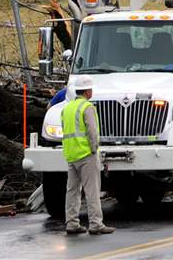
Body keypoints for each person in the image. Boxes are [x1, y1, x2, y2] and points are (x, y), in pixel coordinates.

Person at [61, 77, 114, 235]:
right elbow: (92, 131)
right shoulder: (87, 107)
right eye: (91, 89)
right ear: (87, 91)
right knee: (92, 191)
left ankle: (71, 223)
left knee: (72, 191)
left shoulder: (67, 108)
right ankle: (96, 224)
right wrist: (94, 149)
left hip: (71, 155)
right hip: (86, 154)